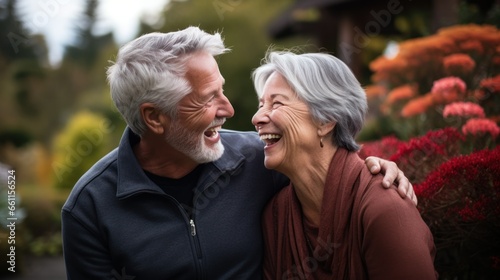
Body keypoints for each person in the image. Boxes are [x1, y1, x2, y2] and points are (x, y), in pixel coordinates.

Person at [61, 27, 415, 280]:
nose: (229, 109)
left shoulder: (260, 158)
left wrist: (375, 166)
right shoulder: (89, 209)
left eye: (223, 90)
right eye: (207, 98)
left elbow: (325, 158)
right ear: (154, 117)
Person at [251, 50, 437, 280]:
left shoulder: (384, 210)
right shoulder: (276, 217)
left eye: (276, 103)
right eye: (261, 105)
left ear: (326, 121)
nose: (257, 118)